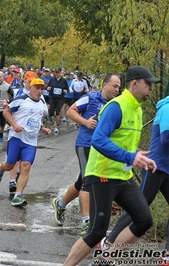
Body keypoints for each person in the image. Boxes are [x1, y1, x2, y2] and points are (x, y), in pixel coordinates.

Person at [63, 66, 159, 265]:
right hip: (102, 175)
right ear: (135, 83)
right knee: (96, 231)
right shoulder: (116, 106)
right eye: (148, 84)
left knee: (144, 220)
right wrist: (130, 157)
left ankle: (105, 260)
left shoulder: (137, 109)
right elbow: (98, 139)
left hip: (122, 176)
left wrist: (137, 154)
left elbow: (122, 141)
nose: (151, 88)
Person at [100, 95, 169, 264]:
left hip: (168, 168)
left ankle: (167, 253)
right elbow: (165, 138)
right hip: (155, 166)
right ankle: (108, 242)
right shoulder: (167, 108)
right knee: (141, 206)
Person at [51, 73, 121, 236]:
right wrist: (85, 122)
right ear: (104, 85)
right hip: (86, 145)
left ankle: (60, 204)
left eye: (118, 87)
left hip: (102, 148)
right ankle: (86, 222)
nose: (116, 89)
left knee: (82, 180)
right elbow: (71, 111)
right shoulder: (91, 98)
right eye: (114, 86)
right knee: (88, 182)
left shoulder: (116, 104)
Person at [0, 78, 51, 206]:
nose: (40, 91)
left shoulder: (42, 102)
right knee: (9, 165)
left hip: (31, 141)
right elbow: (6, 112)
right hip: (17, 138)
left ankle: (18, 196)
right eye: (37, 88)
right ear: (31, 87)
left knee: (26, 167)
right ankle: (0, 170)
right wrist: (14, 125)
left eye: (42, 89)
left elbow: (37, 118)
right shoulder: (21, 99)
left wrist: (42, 128)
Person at [47, 67, 68, 134]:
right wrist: (48, 88)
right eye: (56, 72)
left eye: (58, 72)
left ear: (60, 73)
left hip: (60, 98)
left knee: (58, 112)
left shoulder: (63, 80)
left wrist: (65, 91)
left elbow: (66, 89)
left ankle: (56, 126)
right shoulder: (52, 79)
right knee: (51, 112)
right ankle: (53, 119)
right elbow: (48, 87)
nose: (57, 74)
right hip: (53, 98)